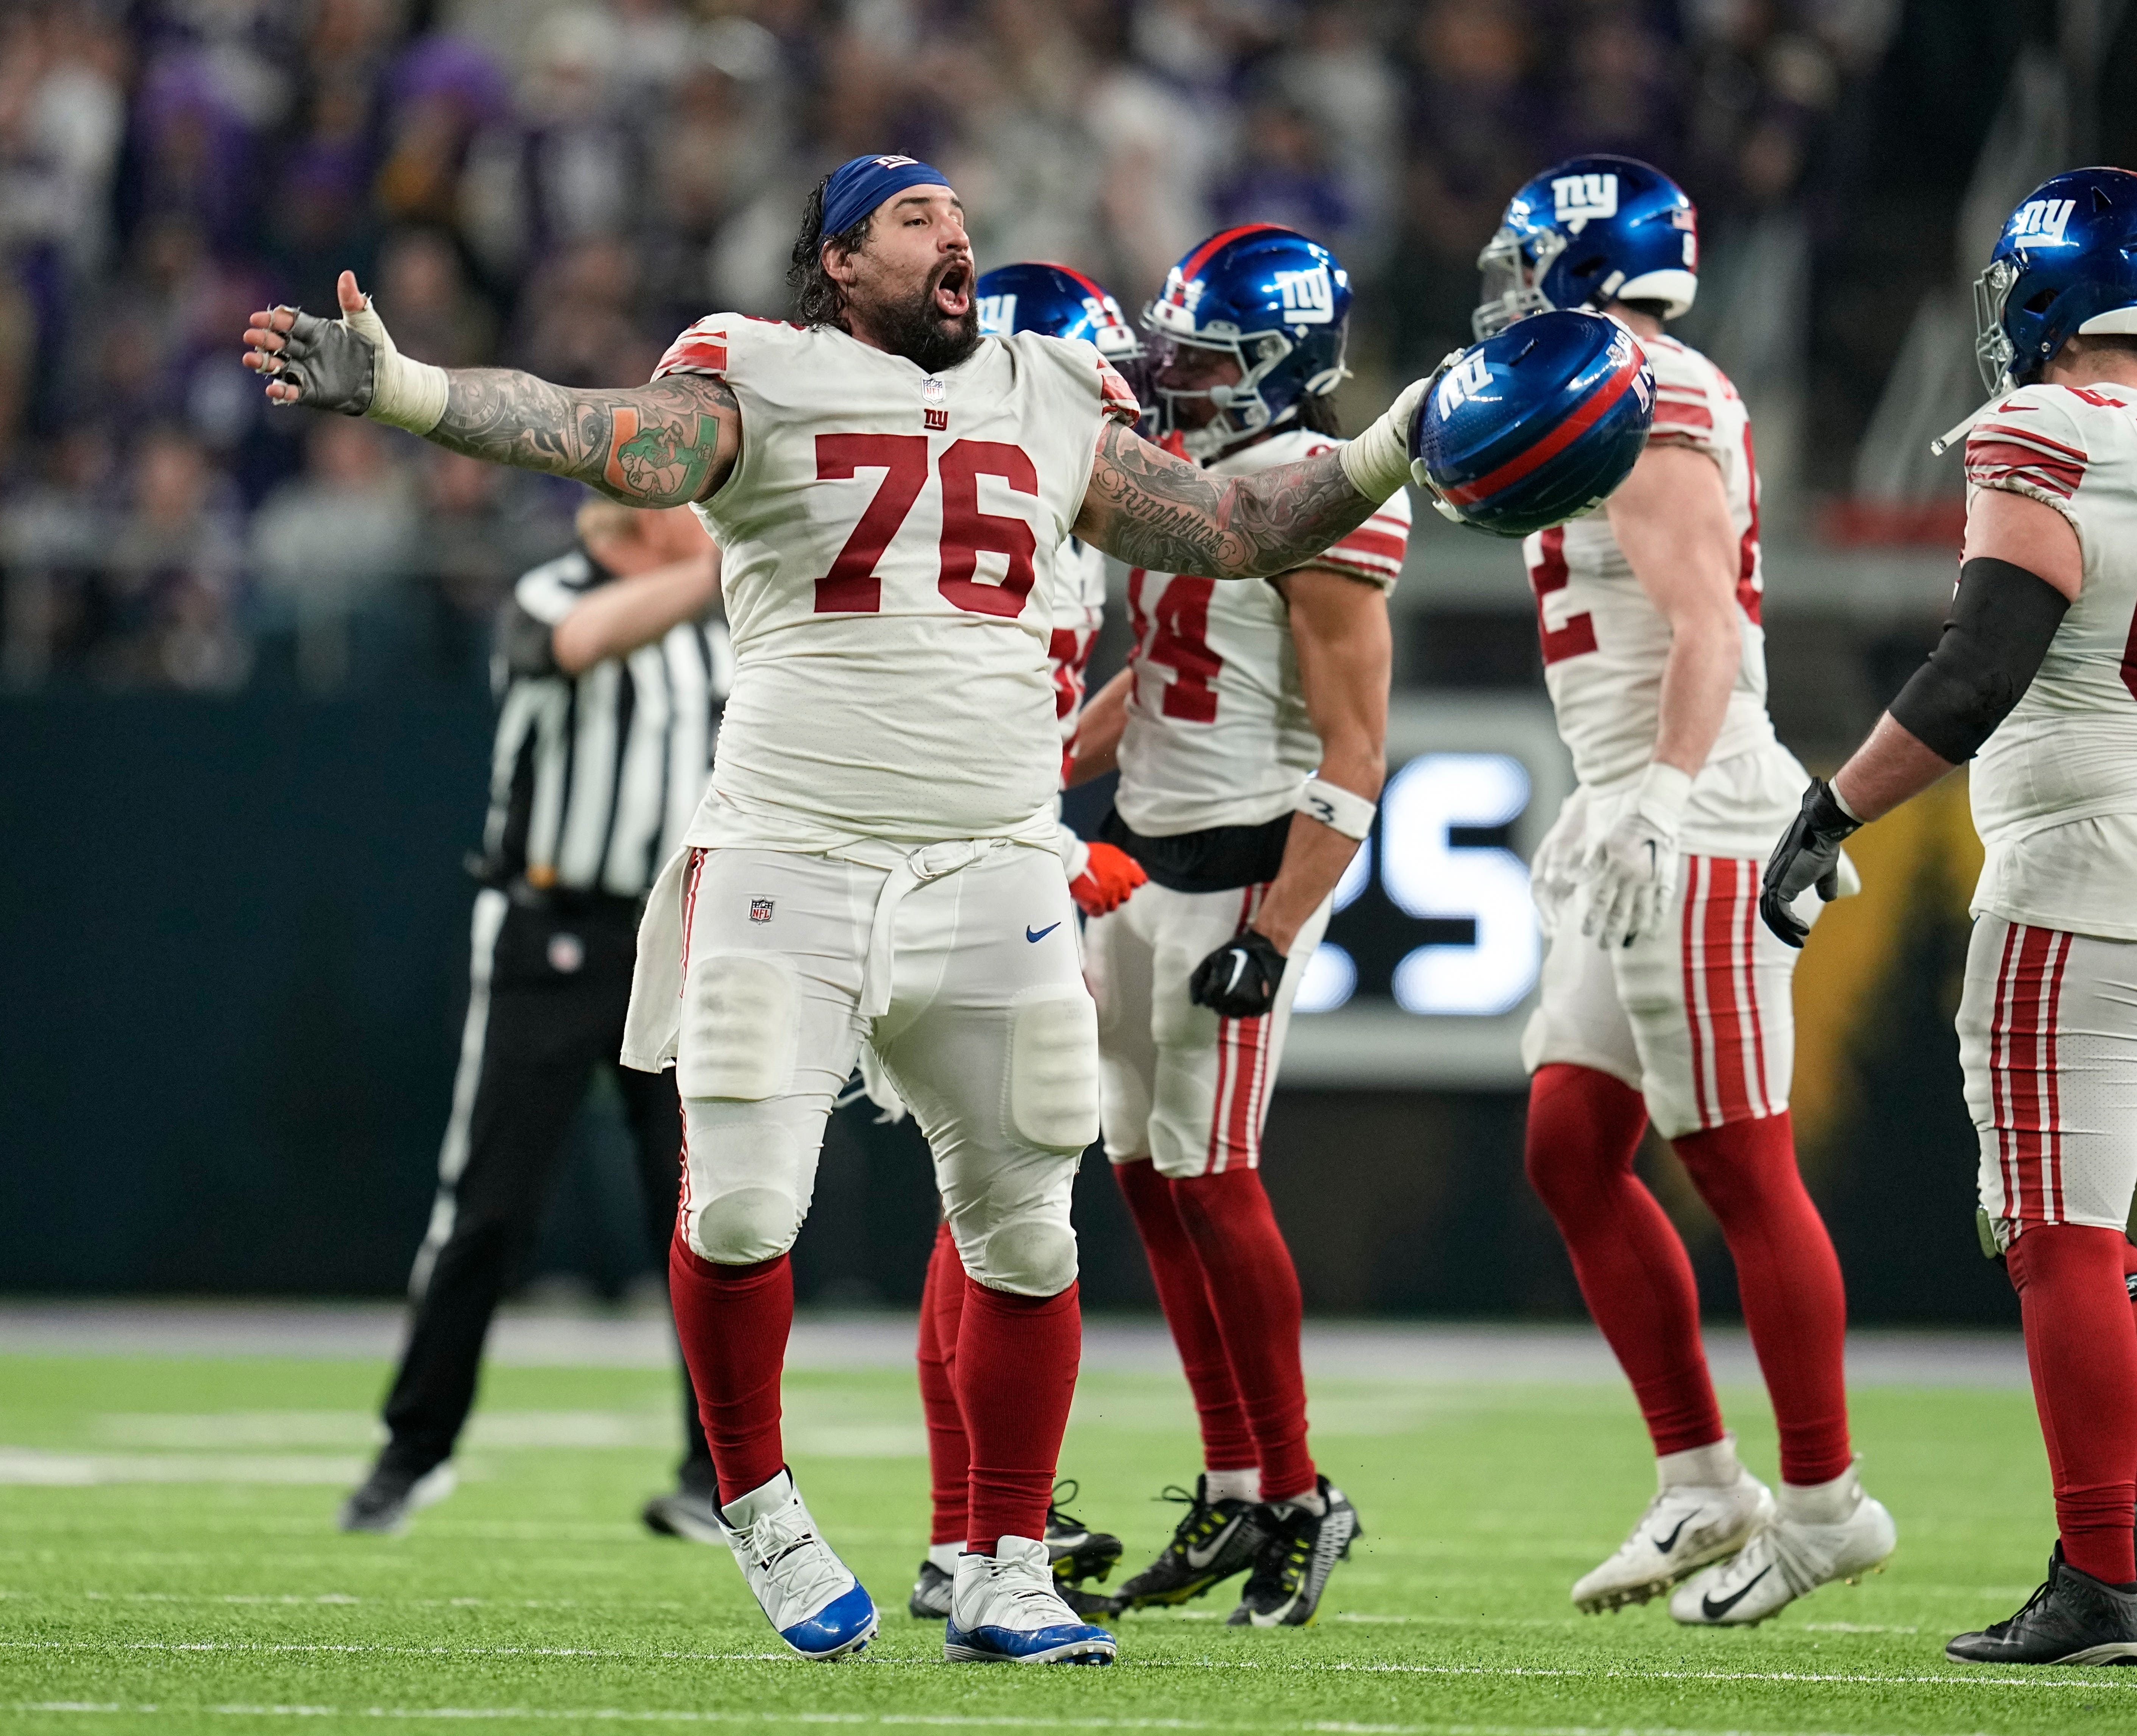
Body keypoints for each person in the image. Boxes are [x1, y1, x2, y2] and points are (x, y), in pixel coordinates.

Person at [242, 151, 1445, 1666]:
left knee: (1026, 1230)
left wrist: (1403, 434)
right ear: (837, 265)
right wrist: (410, 390)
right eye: (912, 218)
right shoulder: (758, 371)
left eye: (960, 210)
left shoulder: (1052, 390)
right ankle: (755, 1498)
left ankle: (1005, 1559)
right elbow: (602, 435)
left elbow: (1239, 528)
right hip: (788, 854)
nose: (957, 231)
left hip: (998, 861)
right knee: (744, 1205)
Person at [1762, 167, 2137, 1667]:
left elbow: (1977, 667)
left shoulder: (2040, 431)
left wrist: (1834, 806)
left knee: (2053, 1231)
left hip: (2085, 890)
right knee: (2086, 1217)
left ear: (2053, 292)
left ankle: (2095, 1583)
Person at [1470, 154, 1895, 1628]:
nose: (1505, 287)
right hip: (1656, 797)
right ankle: (1704, 1479)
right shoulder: (1615, 372)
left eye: (1527, 261)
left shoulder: (1636, 392)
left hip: (1700, 813)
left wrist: (1651, 799)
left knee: (1739, 1167)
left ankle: (1830, 1505)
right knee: (1572, 1144)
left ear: (1578, 263)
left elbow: (1704, 627)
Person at [1062, 225, 1410, 1628]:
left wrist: (1276, 924)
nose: (1178, 375)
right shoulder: (1197, 482)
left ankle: (1300, 1489)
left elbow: (1358, 750)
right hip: (1143, 849)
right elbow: (1164, 667)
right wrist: (1049, 760)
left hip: (1243, 858)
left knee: (1213, 1175)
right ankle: (1229, 1477)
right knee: (1145, 1169)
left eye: (1207, 356)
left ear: (1283, 369)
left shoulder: (1315, 503)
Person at [337, 498, 730, 1543]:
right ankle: (412, 1450)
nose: (715, 522)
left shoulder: (723, 622)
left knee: (705, 1217)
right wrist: (734, 562)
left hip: (679, 945)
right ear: (638, 520)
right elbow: (579, 641)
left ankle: (719, 1472)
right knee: (489, 1208)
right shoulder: (552, 591)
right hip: (549, 938)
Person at [900, 260, 1153, 1627]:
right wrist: (1049, 841)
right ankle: (969, 1529)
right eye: (1085, 373)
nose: (1111, 400)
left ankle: (981, 1522)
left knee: (996, 1202)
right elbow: (943, 719)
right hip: (949, 861)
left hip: (1001, 847)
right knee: (1000, 1202)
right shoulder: (970, 503)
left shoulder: (1062, 507)